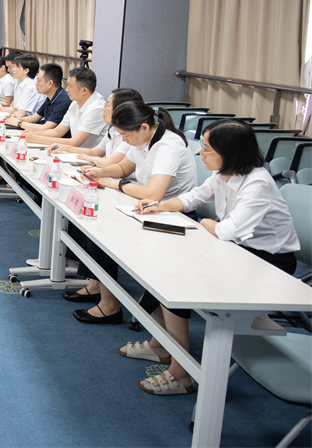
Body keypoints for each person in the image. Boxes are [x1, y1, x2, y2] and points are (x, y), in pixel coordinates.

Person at [129, 119, 299, 395]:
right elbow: (193, 198)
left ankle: (181, 373)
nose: (202, 153)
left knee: (177, 281)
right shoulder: (223, 174)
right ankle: (161, 344)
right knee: (163, 269)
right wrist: (159, 206)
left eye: (207, 148)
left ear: (229, 152)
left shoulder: (258, 183)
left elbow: (226, 231)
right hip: (238, 250)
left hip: (269, 262)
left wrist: (206, 223)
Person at [74, 102, 197, 325]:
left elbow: (154, 193)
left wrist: (117, 184)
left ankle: (110, 305)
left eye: (126, 135)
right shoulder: (142, 138)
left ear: (144, 127)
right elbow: (123, 168)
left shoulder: (168, 146)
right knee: (94, 227)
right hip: (147, 209)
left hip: (173, 218)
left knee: (101, 231)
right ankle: (103, 294)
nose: (125, 140)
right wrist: (99, 172)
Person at [47, 87, 144, 167]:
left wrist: (90, 159)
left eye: (107, 105)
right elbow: (94, 152)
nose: (103, 109)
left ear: (121, 109)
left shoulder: (131, 136)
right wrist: (66, 148)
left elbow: (109, 162)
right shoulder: (112, 129)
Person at [24, 66, 107, 149]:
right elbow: (57, 132)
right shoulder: (75, 103)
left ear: (84, 90)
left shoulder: (97, 108)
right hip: (75, 152)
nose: (67, 89)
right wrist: (32, 133)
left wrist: (36, 138)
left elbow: (74, 142)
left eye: (70, 86)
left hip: (88, 154)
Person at [9, 63, 71, 133]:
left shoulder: (63, 100)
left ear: (50, 83)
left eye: (39, 80)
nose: (36, 84)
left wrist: (18, 123)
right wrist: (14, 119)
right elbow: (35, 117)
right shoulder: (50, 96)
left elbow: (45, 127)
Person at [0, 55, 43, 119]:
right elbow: (14, 108)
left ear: (26, 70)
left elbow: (20, 114)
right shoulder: (18, 82)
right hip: (19, 118)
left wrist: (6, 116)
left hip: (30, 121)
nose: (13, 69)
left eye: (16, 67)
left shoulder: (30, 87)